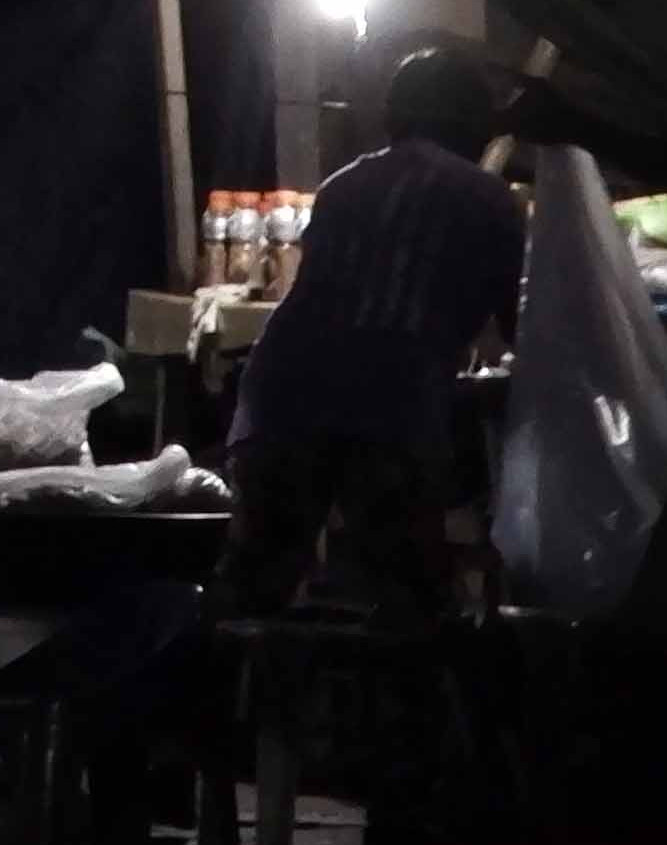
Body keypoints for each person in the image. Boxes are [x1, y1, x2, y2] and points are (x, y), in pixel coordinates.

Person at [221, 43, 532, 626]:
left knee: (254, 590)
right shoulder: (490, 199)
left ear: (392, 116)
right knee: (411, 604)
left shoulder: (343, 185)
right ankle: (404, 711)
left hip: (282, 397)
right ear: (476, 126)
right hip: (386, 409)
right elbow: (518, 329)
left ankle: (232, 706)